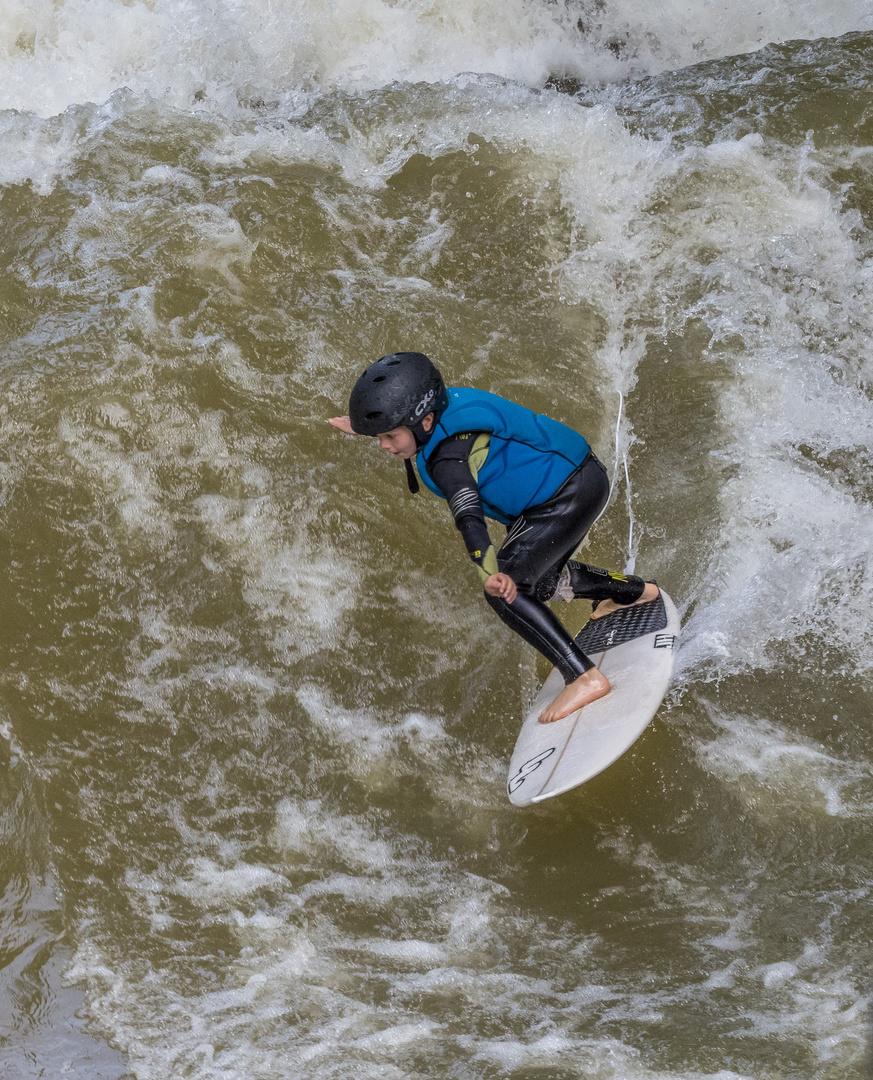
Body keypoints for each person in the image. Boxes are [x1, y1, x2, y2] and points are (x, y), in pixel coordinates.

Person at [329, 352, 659, 724]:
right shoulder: (438, 411)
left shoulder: (446, 459)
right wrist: (371, 425)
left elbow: (466, 510)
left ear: (423, 422)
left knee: (508, 588)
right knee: (541, 580)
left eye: (390, 435)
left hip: (566, 494)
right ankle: (633, 592)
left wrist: (489, 567)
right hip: (573, 480)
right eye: (380, 436)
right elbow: (412, 423)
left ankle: (584, 677)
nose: (384, 446)